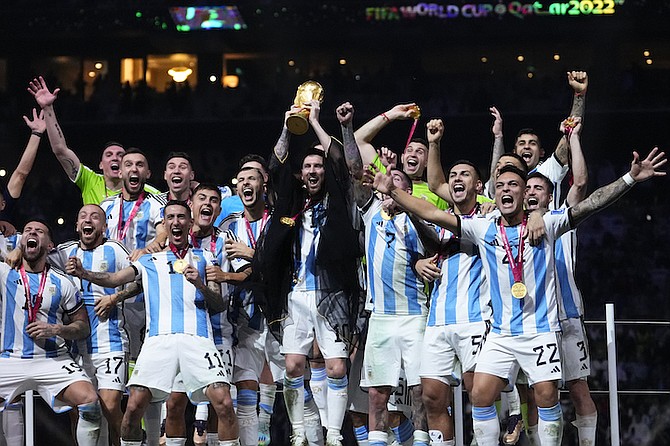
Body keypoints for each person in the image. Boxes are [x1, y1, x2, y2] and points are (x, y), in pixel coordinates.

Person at [365, 147, 666, 446]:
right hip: (501, 334)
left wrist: (629, 178)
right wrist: (392, 190)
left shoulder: (547, 224)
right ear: (494, 195)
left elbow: (591, 204)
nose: (506, 189)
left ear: (524, 195)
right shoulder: (483, 229)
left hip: (540, 332)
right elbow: (430, 212)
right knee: (481, 395)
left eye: (514, 185)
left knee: (546, 395)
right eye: (501, 186)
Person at [67, 200, 241, 446]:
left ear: (190, 223)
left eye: (181, 217)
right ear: (165, 224)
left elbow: (219, 303)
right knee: (133, 409)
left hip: (198, 340)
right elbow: (116, 278)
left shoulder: (205, 257)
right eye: (170, 217)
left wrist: (199, 283)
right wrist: (85, 274)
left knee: (223, 402)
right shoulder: (148, 261)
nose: (176, 222)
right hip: (157, 341)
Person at [253, 101, 362, 446]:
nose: (314, 171)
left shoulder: (339, 201)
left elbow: (349, 166)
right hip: (296, 295)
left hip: (333, 294)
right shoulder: (290, 205)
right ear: (301, 174)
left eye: (318, 166)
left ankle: (333, 433)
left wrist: (318, 122)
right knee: (294, 366)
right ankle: (299, 432)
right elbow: (274, 164)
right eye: (308, 167)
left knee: (336, 369)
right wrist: (288, 126)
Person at [339, 101, 431, 446]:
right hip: (380, 317)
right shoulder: (371, 212)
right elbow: (353, 161)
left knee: (421, 390)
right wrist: (350, 126)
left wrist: (419, 263)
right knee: (377, 395)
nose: (388, 185)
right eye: (386, 181)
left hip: (415, 314)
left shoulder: (419, 216)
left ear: (407, 192)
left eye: (397, 183)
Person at [410, 120, 492, 446]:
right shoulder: (442, 226)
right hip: (438, 320)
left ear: (479, 185)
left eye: (464, 175)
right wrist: (434, 142)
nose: (456, 179)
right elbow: (434, 182)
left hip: (474, 319)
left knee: (479, 393)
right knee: (431, 397)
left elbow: (434, 185)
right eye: (453, 175)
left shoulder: (488, 218)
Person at [524, 117, 598, 445]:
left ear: (549, 194)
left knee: (578, 387)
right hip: (530, 319)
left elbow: (580, 183)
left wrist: (575, 138)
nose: (532, 192)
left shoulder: (561, 218)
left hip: (566, 315)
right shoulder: (505, 225)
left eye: (539, 187)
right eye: (528, 187)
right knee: (536, 392)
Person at [0, 219, 102, 446]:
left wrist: (57, 329)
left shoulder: (64, 282)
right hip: (10, 358)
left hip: (53, 359)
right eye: (27, 231)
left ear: (49, 245)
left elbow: (82, 327)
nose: (32, 233)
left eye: (39, 231)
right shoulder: (4, 273)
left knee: (89, 400)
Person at [48, 204, 134, 446]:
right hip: (74, 348)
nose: (89, 220)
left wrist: (114, 297)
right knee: (80, 411)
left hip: (111, 343)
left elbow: (138, 277)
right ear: (76, 226)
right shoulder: (63, 252)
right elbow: (36, 254)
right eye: (83, 216)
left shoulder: (115, 249)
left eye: (95, 217)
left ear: (104, 226)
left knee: (110, 407)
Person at [27, 76, 160, 206]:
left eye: (120, 155)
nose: (115, 158)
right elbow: (60, 150)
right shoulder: (90, 180)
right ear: (101, 165)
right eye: (109, 155)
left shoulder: (150, 193)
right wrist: (48, 108)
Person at [485, 71, 588, 207]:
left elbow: (571, 132)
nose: (527, 146)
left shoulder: (549, 169)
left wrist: (579, 96)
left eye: (532, 143)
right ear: (515, 153)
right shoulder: (507, 180)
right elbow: (497, 171)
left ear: (541, 153)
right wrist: (498, 137)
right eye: (522, 143)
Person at [354, 103, 448, 210]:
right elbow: (357, 141)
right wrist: (391, 114)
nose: (413, 154)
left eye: (420, 152)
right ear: (402, 157)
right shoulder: (384, 174)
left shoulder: (436, 191)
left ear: (427, 162)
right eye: (409, 150)